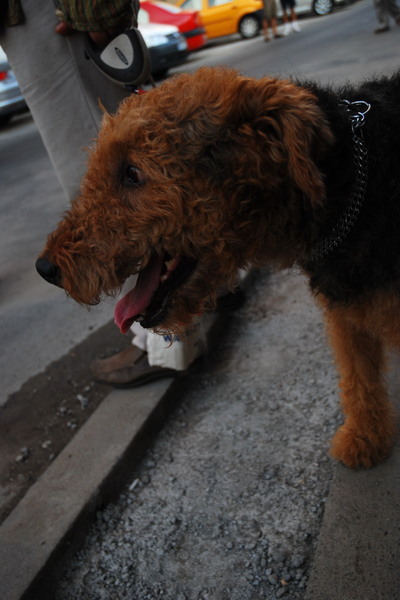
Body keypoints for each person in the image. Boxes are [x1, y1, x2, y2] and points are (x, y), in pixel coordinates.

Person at [0, 0, 211, 387]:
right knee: (121, 171)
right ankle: (204, 294)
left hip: (48, 14)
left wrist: (97, 7)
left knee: (103, 183)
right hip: (33, 19)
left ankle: (170, 344)